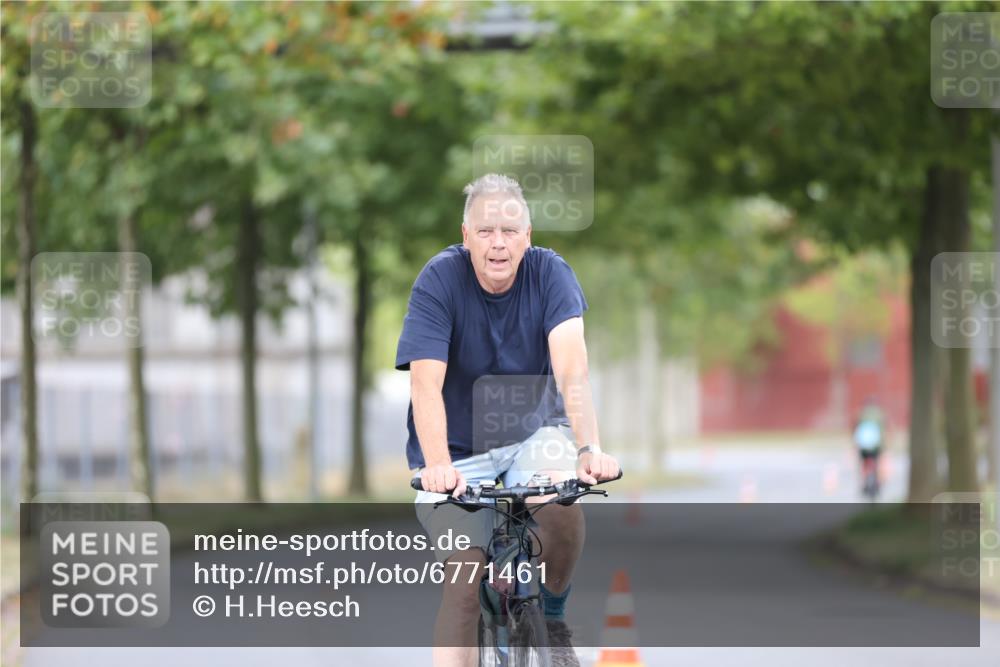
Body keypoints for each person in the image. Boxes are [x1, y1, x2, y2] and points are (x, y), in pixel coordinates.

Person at [396, 173, 620, 667]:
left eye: (509, 231)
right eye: (485, 231)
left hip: (532, 435)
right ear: (465, 236)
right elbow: (424, 385)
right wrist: (438, 465)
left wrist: (589, 450)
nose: (498, 243)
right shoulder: (439, 280)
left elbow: (571, 369)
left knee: (560, 503)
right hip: (456, 453)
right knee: (462, 584)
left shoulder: (551, 274)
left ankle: (554, 618)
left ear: (528, 236)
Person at [853, 396, 886, 497]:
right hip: (876, 445)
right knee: (876, 462)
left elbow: (855, 428)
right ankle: (876, 481)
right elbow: (884, 429)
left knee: (864, 463)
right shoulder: (880, 414)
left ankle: (865, 482)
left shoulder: (861, 414)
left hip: (863, 445)